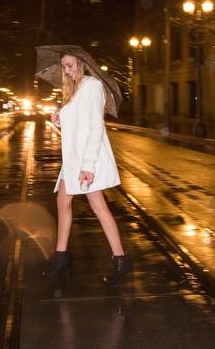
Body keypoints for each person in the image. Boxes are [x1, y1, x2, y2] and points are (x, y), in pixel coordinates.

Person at [43, 53, 132, 287]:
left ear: (81, 63)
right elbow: (77, 124)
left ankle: (120, 259)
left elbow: (95, 125)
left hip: (85, 159)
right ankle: (61, 256)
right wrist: (59, 120)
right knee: (63, 202)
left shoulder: (92, 85)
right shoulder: (74, 89)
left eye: (70, 65)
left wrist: (89, 165)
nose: (67, 70)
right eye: (64, 66)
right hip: (73, 159)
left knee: (97, 206)